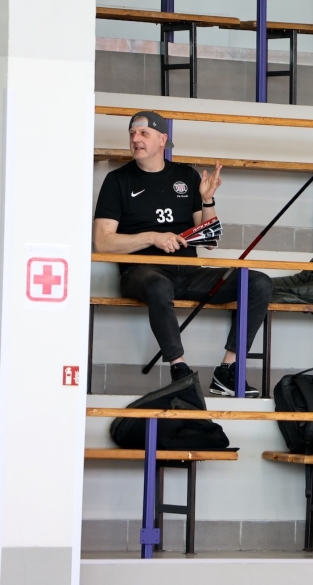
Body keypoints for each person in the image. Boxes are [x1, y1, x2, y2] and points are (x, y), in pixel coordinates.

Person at [93, 110, 272, 397]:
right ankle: (181, 372)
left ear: (162, 139)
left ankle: (228, 370)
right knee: (158, 285)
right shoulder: (118, 180)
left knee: (258, 282)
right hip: (141, 272)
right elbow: (103, 242)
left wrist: (207, 200)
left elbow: (209, 239)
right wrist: (152, 237)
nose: (136, 139)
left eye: (144, 133)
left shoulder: (186, 176)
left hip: (188, 272)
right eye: (132, 134)